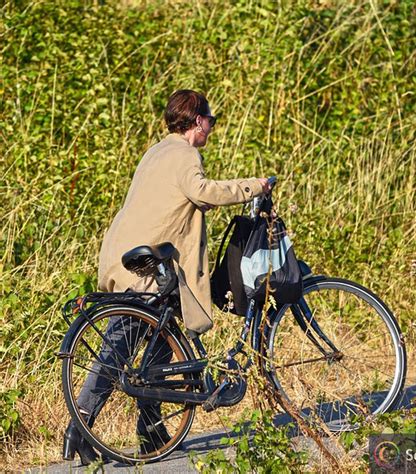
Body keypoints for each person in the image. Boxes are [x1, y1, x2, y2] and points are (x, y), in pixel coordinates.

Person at [63, 89, 270, 464]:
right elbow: (202, 192)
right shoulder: (185, 154)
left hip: (137, 260)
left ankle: (152, 433)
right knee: (119, 349)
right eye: (211, 120)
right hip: (140, 270)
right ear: (197, 121)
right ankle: (78, 429)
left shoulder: (157, 150)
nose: (212, 127)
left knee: (161, 344)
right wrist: (253, 186)